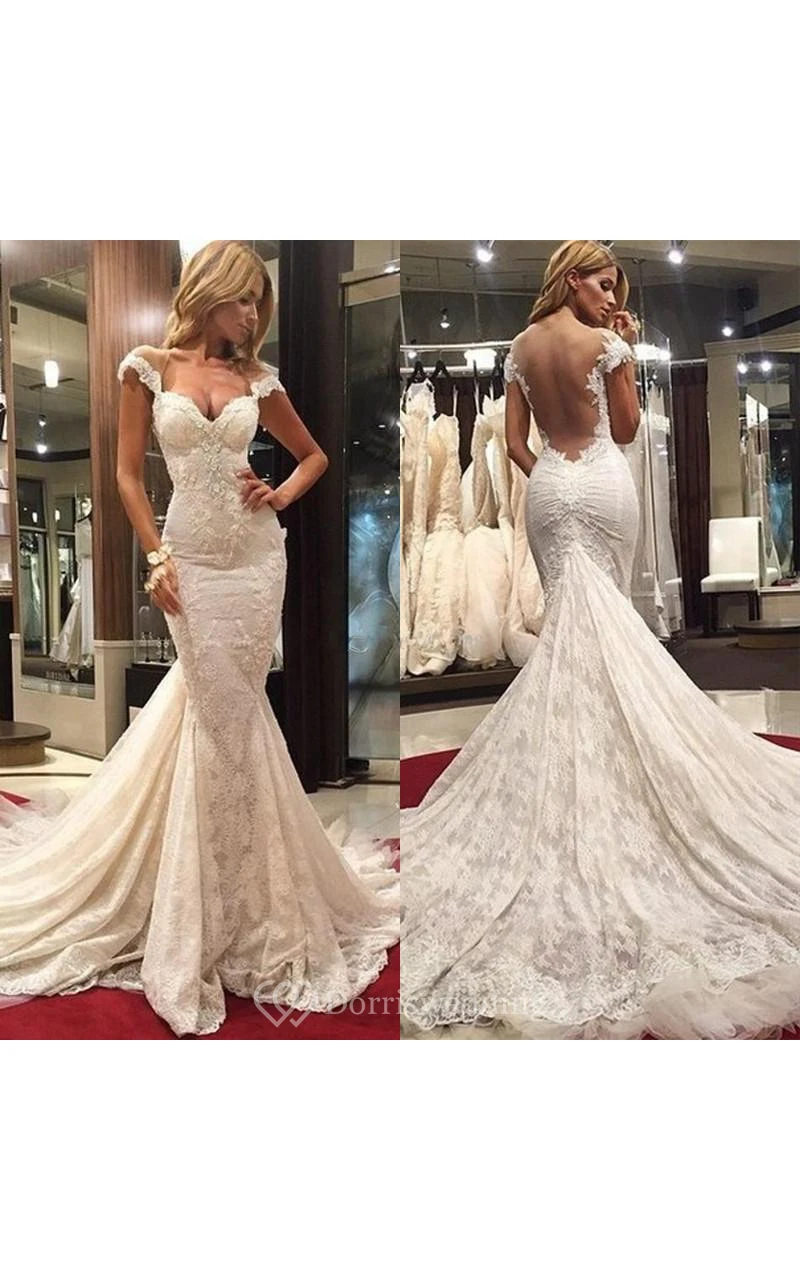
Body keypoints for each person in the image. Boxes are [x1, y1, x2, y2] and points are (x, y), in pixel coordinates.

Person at [401, 239, 800, 1041]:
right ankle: (619, 758)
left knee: (574, 632)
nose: (613, 295)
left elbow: (516, 444)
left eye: (616, 285)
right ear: (573, 280)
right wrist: (618, 351)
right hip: (604, 485)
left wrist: (554, 470)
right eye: (604, 282)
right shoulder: (608, 343)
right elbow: (624, 428)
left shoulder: (521, 347)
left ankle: (584, 754)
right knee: (606, 623)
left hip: (550, 489)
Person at [0, 241, 399, 1037]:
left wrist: (277, 493)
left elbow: (315, 456)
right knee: (216, 714)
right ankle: (204, 899)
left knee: (232, 713)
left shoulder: (260, 381)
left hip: (256, 562)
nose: (252, 314)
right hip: (191, 561)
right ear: (209, 291)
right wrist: (156, 557)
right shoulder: (147, 368)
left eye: (259, 301)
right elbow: (124, 475)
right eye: (242, 298)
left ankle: (244, 897)